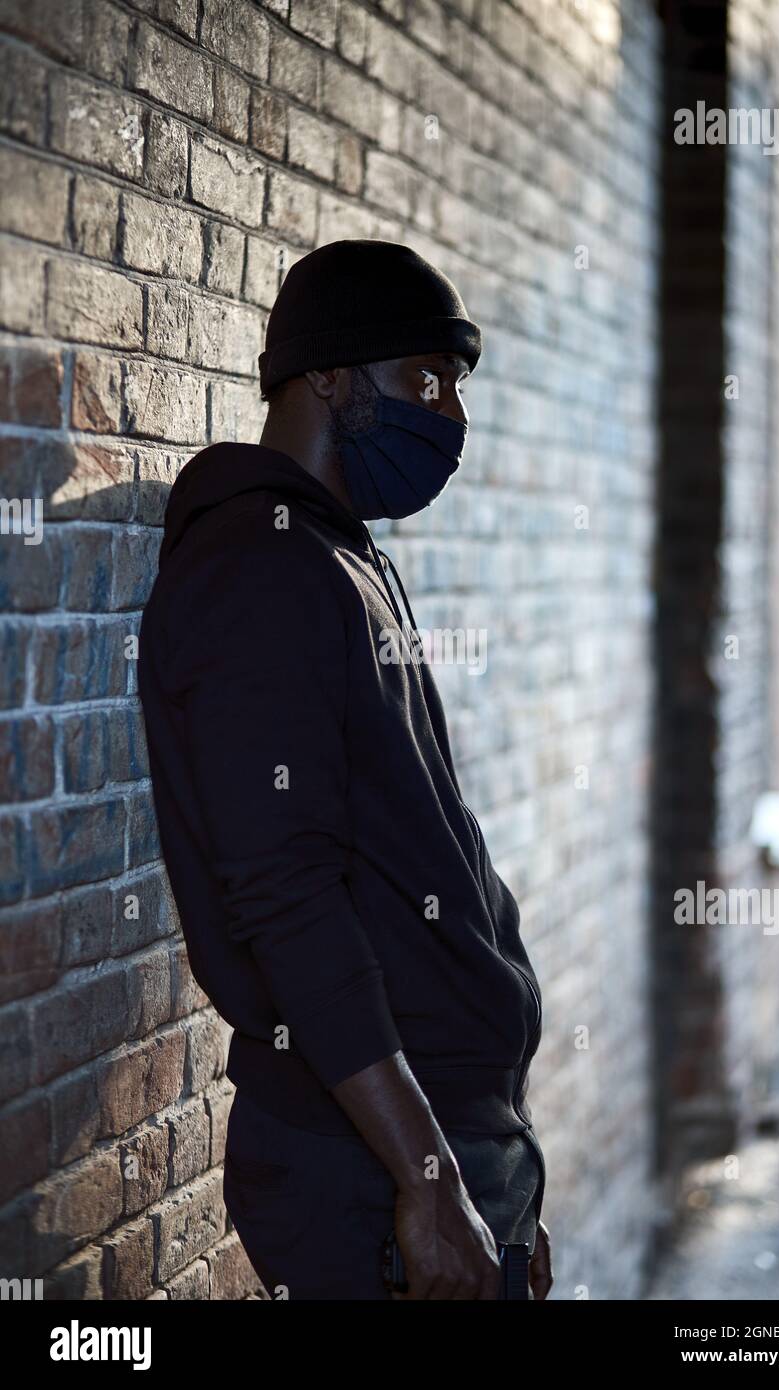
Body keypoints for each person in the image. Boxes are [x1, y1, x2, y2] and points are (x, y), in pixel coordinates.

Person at [138, 239, 552, 1301]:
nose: (447, 411)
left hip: (444, 1140)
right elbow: (287, 897)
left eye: (454, 384)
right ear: (328, 376)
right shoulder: (257, 570)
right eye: (425, 377)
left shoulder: (341, 557)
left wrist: (492, 1170)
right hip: (364, 1166)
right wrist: (426, 1185)